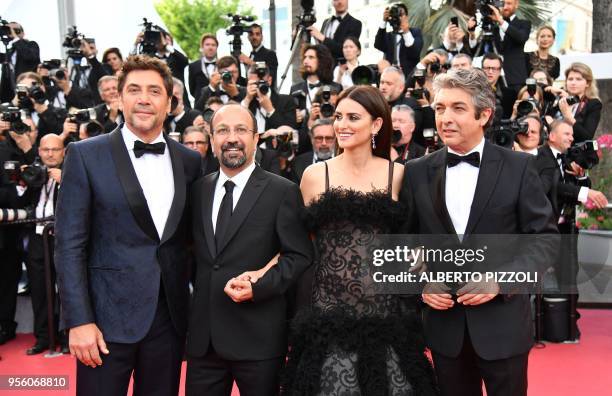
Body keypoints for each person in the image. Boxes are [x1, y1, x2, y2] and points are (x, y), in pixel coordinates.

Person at [400, 68, 558, 396]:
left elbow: (545, 239)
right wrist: (421, 284)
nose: (445, 117)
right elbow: (404, 242)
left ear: (483, 114)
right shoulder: (415, 172)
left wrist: (502, 281)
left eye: (458, 108)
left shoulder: (518, 168)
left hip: (503, 326)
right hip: (444, 329)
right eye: (440, 108)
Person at [54, 55, 202, 395]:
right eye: (134, 90)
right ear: (119, 98)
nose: (144, 99)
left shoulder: (191, 161)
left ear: (170, 101)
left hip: (168, 321)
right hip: (104, 324)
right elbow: (69, 245)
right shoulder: (85, 155)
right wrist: (79, 321)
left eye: (154, 91)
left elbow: (191, 242)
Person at [282, 85, 437, 395]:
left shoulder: (399, 174)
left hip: (386, 319)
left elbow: (412, 239)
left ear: (377, 124)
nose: (342, 125)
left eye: (353, 117)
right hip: (327, 320)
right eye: (338, 116)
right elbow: (297, 246)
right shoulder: (314, 175)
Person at [185, 103, 313, 395]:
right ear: (212, 139)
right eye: (223, 131)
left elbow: (299, 255)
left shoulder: (282, 191)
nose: (232, 137)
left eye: (241, 129)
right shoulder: (198, 190)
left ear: (256, 138)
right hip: (204, 343)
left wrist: (260, 286)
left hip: (259, 338)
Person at [22, 134, 68, 355]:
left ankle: (67, 337)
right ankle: (43, 338)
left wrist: (66, 180)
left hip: (64, 240)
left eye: (55, 149)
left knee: (67, 290)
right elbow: (18, 201)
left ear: (63, 151)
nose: (50, 153)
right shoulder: (33, 174)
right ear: (39, 151)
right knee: (40, 290)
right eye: (46, 149)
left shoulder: (72, 172)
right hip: (37, 239)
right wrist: (21, 180)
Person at [374, 2, 423, 79]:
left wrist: (406, 31)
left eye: (401, 15)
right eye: (395, 15)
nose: (398, 17)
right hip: (390, 78)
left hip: (409, 78)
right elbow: (378, 45)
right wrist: (384, 21)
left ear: (406, 17)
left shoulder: (415, 32)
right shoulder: (389, 35)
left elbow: (415, 52)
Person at [557, 62, 601, 143]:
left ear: (587, 83)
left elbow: (587, 137)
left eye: (578, 79)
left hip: (579, 153)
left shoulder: (593, 104)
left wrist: (569, 117)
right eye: (570, 79)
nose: (573, 83)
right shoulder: (560, 100)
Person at [291, 118, 336, 184]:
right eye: (319, 138)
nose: (324, 143)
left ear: (335, 139)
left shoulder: (347, 162)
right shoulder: (298, 163)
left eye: (329, 138)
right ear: (312, 139)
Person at [239, 24, 279, 89]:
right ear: (248, 37)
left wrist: (251, 63)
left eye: (257, 34)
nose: (254, 37)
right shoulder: (251, 55)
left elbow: (271, 75)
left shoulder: (270, 53)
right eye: (251, 34)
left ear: (262, 37)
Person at [188, 34, 219, 103]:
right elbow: (192, 90)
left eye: (213, 45)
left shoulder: (222, 64)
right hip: (200, 106)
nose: (210, 47)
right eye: (207, 44)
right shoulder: (193, 66)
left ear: (217, 47)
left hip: (219, 104)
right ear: (202, 47)